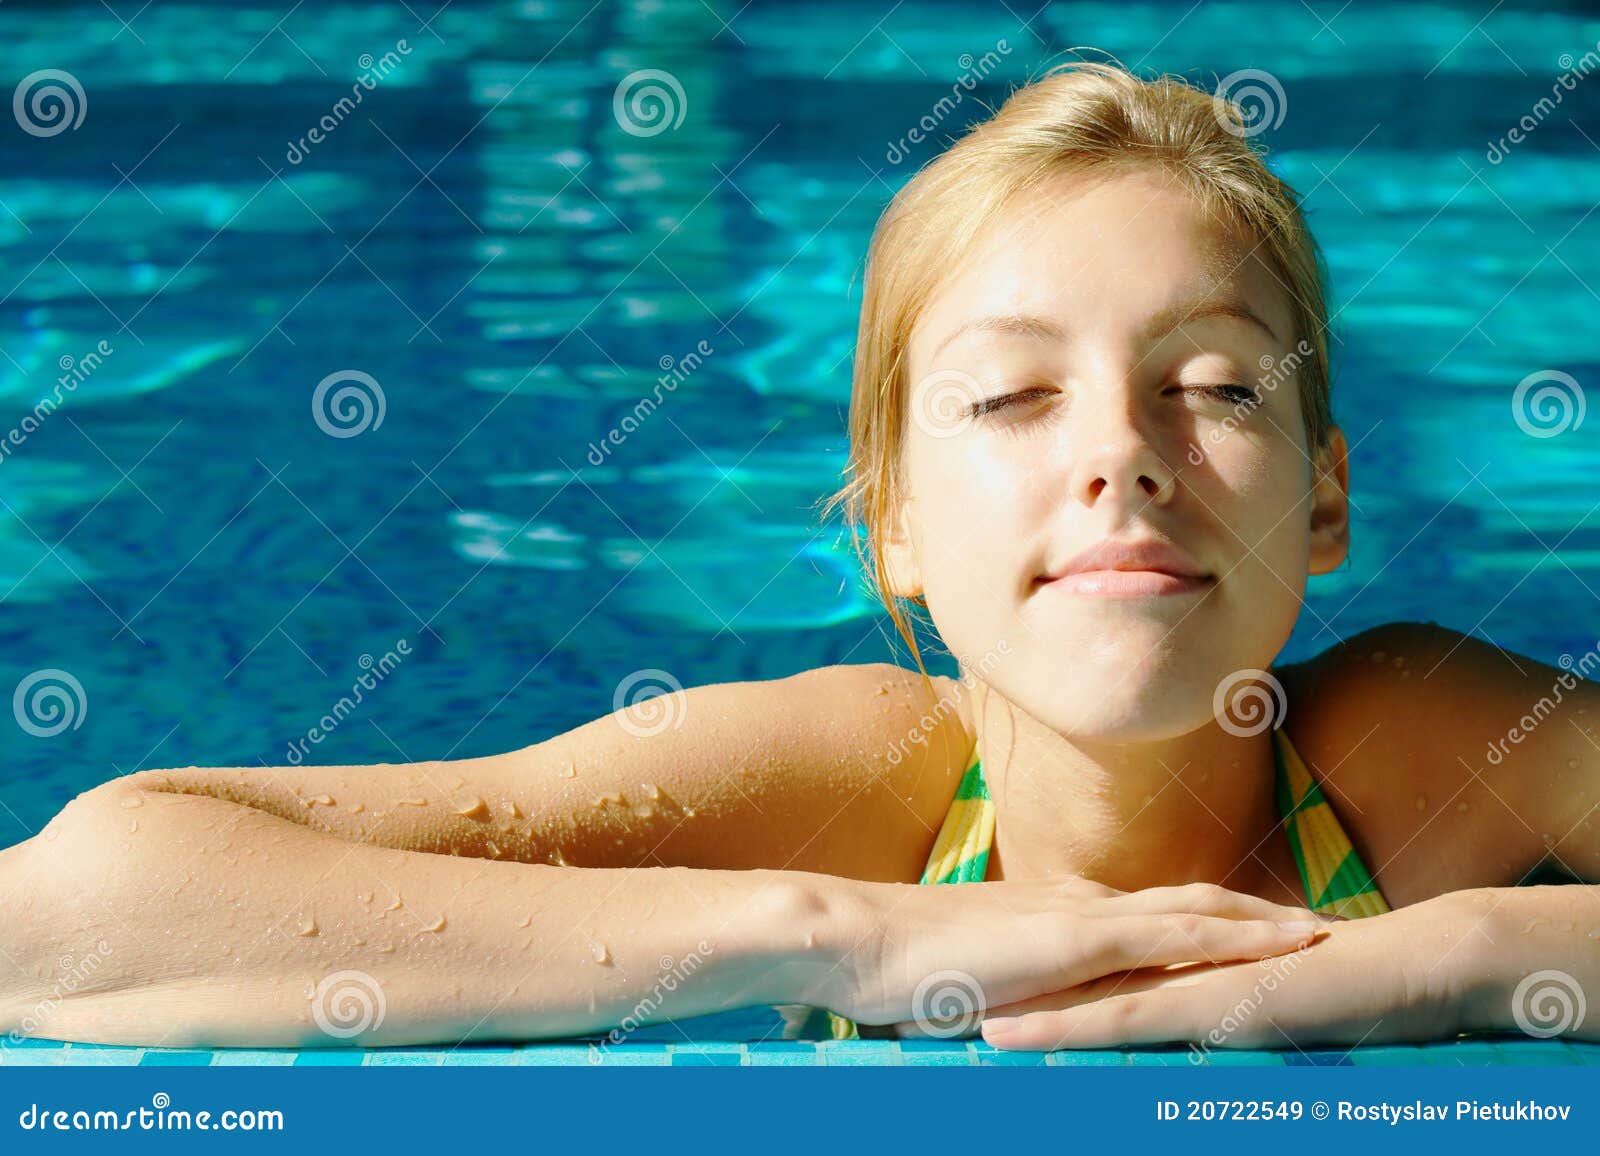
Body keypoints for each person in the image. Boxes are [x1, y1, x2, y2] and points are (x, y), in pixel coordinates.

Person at [3, 61, 1595, 1053]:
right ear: (891, 520)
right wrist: (849, 935)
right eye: (1014, 394)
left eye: (1215, 387)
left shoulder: (1417, 755)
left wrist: (1461, 956)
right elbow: (63, 914)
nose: (1121, 452)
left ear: (1324, 499)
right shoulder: (861, 794)